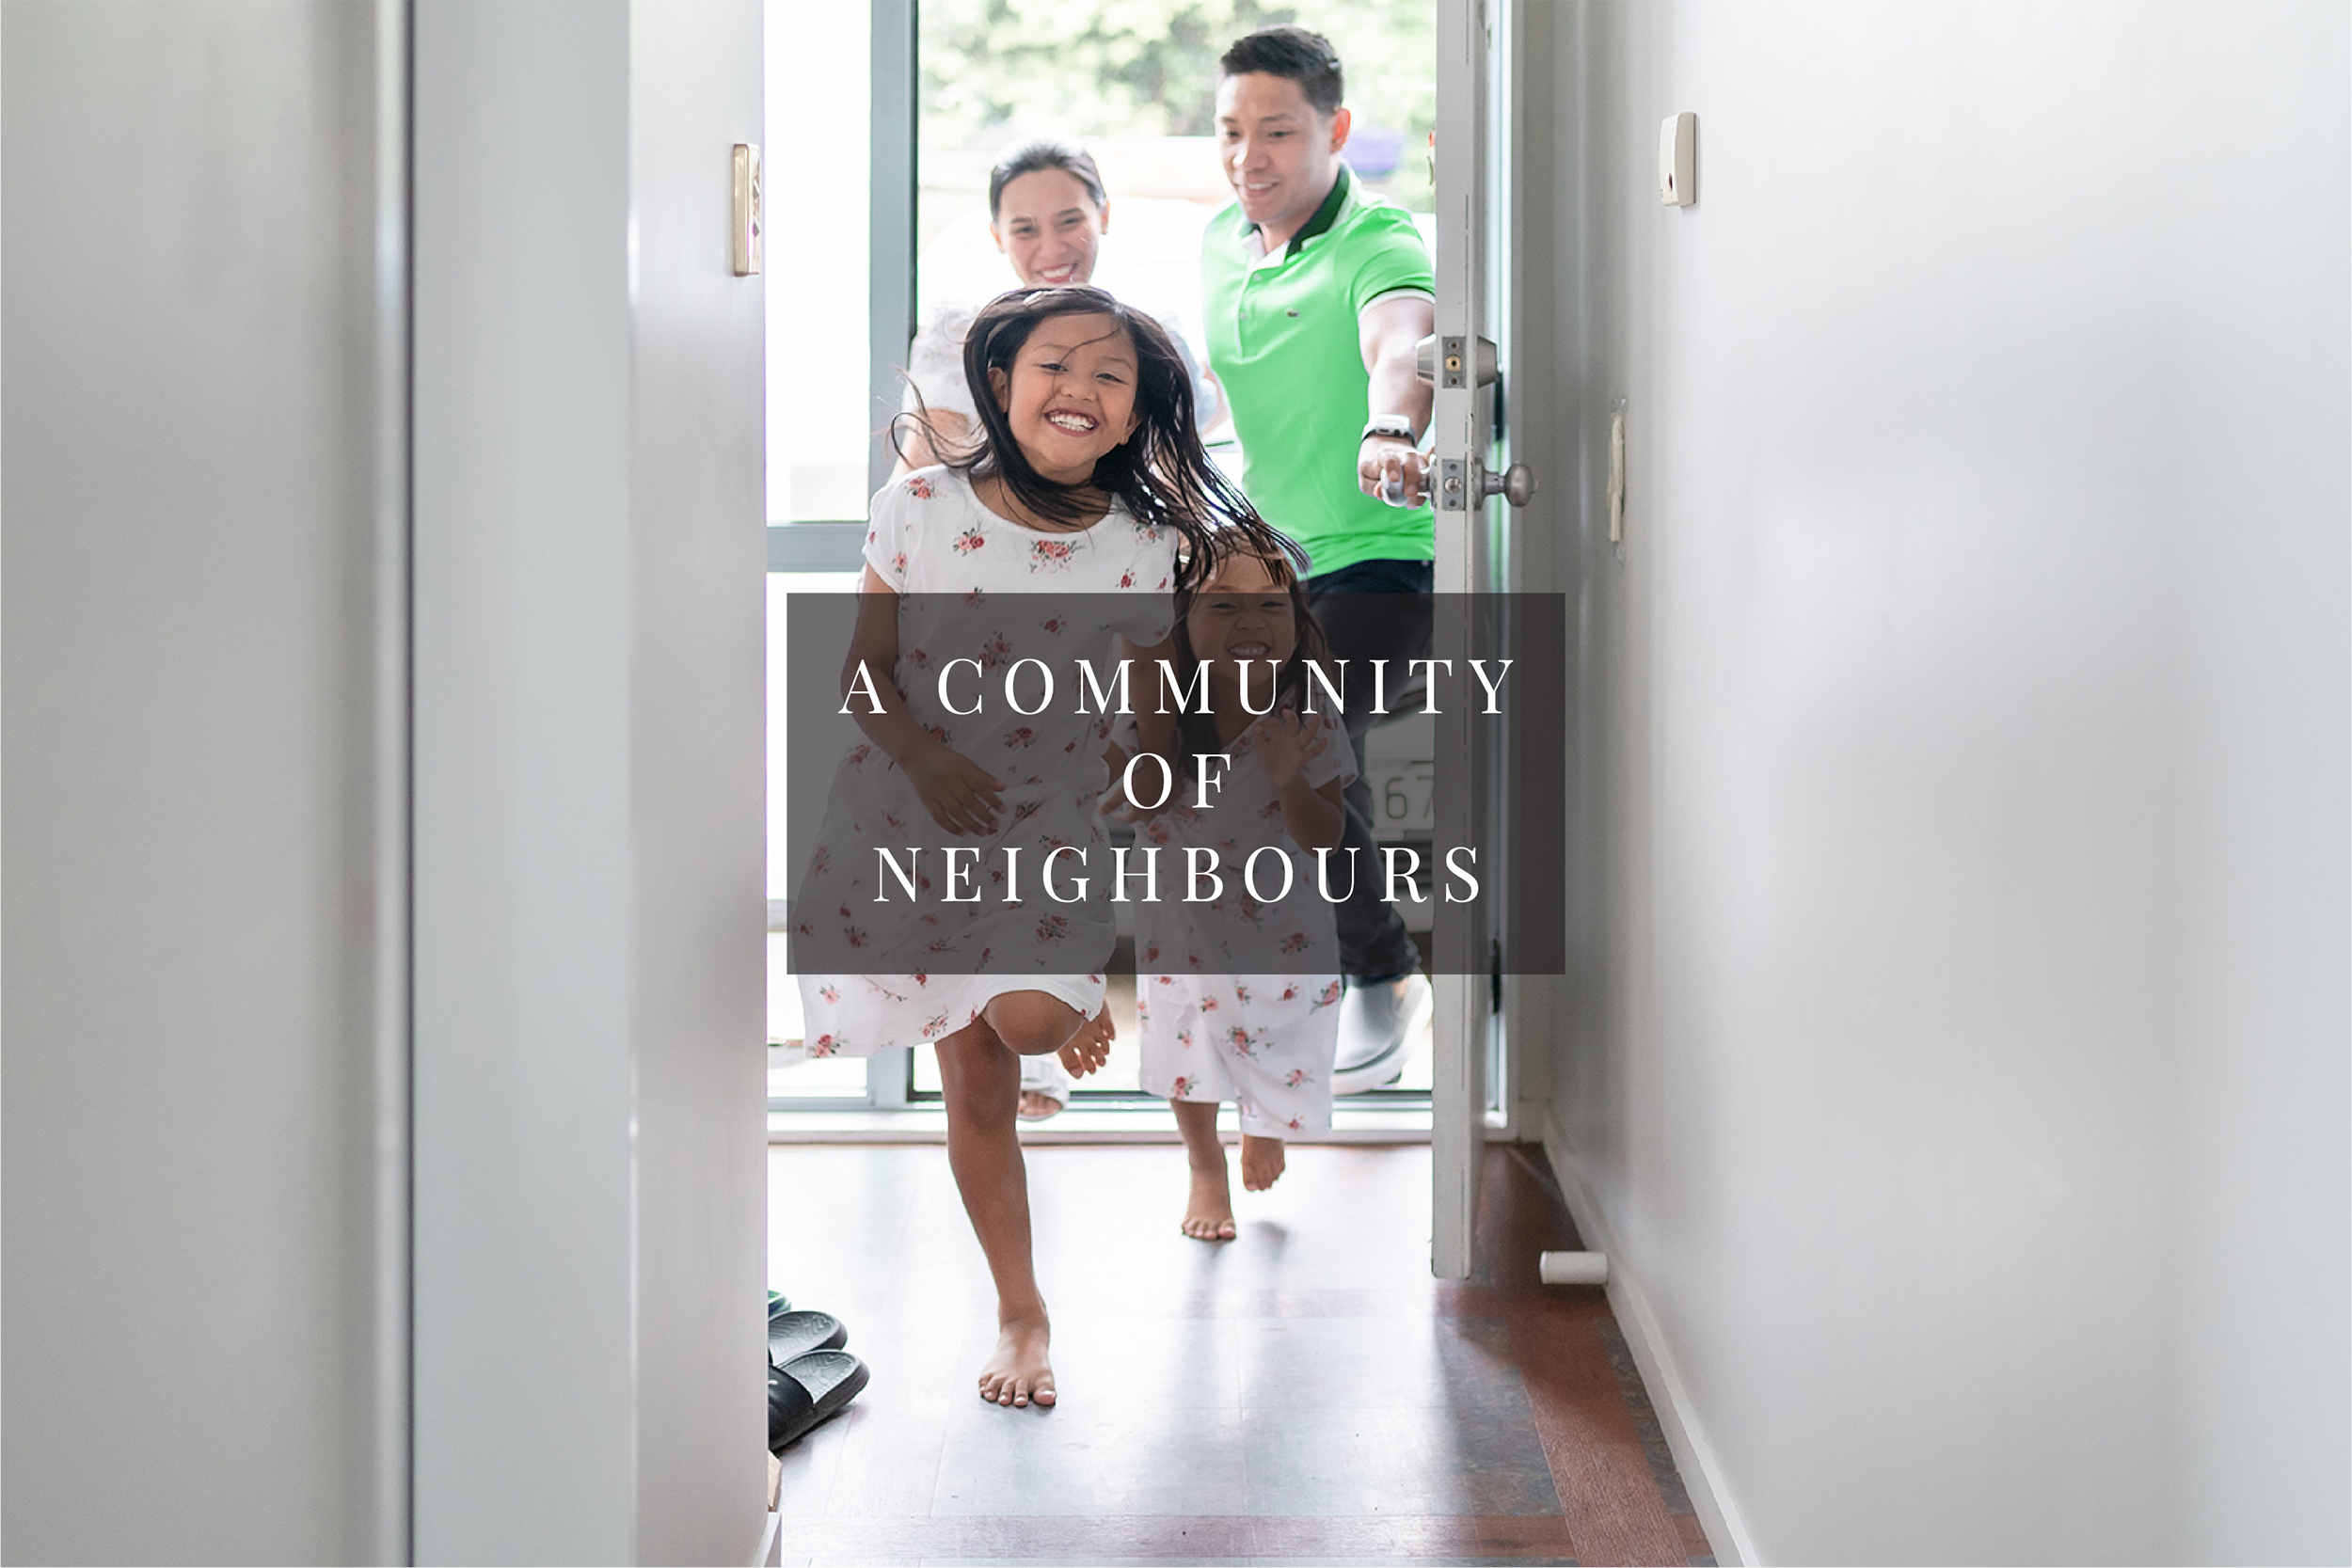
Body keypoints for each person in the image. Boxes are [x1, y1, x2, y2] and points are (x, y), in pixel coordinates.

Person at [791, 285, 1294, 1408]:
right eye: (1054, 363)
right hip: (911, 809)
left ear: (1132, 417)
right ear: (1003, 381)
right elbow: (864, 676)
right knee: (975, 1075)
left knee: (1024, 1019)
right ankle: (1022, 1313)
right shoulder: (917, 505)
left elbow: (1151, 720)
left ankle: (1062, 1002)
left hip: (1049, 828)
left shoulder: (1144, 542)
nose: (1079, 386)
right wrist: (926, 760)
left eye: (1109, 376)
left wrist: (1156, 782)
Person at [896, 137, 1215, 1118]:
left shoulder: (1145, 343)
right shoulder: (965, 335)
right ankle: (1024, 1033)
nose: (1050, 242)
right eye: (1025, 226)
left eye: (1068, 218)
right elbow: (927, 459)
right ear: (996, 237)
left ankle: (1065, 1004)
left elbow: (1196, 475)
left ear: (1103, 217)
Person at [1200, 25, 1438, 1085]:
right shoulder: (1220, 239)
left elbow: (1405, 341)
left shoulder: (1375, 242)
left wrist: (1391, 427)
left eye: (1278, 132)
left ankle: (1379, 972)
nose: (1249, 156)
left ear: (1335, 130)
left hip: (1381, 562)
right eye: (1231, 131)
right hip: (1266, 564)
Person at [1120, 535, 1352, 1241]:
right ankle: (1204, 1165)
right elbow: (1137, 796)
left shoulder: (1308, 714)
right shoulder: (1157, 706)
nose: (1251, 621)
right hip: (1184, 922)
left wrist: (1288, 779)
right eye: (1224, 605)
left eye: (1269, 606)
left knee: (1282, 1032)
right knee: (1189, 1048)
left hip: (1279, 925)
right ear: (1181, 622)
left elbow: (1326, 836)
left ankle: (1268, 1120)